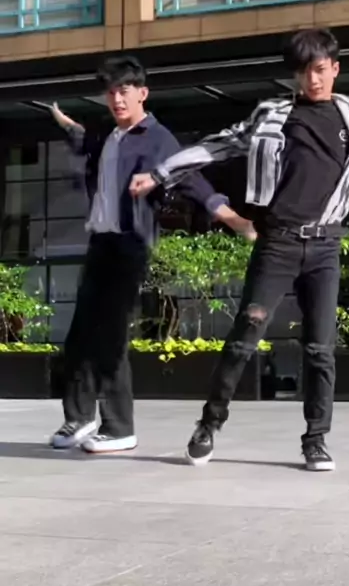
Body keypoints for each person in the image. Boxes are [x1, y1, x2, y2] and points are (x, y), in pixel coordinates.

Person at [130, 30, 349, 471]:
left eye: (321, 70)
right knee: (244, 338)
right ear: (295, 75)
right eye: (305, 72)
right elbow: (219, 144)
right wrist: (161, 173)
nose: (314, 80)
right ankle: (209, 424)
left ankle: (316, 440)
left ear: (335, 69)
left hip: (326, 245)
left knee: (320, 349)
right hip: (278, 242)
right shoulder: (272, 116)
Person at [49, 55, 255, 454]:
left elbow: (191, 178)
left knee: (110, 336)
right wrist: (67, 125)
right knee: (80, 335)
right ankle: (79, 417)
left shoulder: (158, 139)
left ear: (142, 93)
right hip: (100, 244)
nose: (116, 99)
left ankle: (118, 427)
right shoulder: (109, 135)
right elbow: (85, 141)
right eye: (111, 92)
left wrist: (232, 218)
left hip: (130, 246)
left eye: (124, 91)